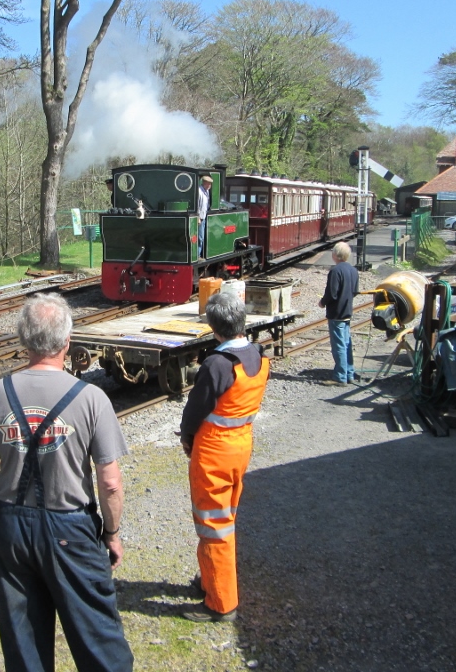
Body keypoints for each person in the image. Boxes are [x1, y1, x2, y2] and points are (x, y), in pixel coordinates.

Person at [0, 294, 133, 672]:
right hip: (70, 528)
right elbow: (109, 483)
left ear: (24, 340)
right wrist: (112, 533)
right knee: (98, 638)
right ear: (67, 341)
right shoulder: (92, 398)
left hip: (11, 529)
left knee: (24, 643)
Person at [178, 292, 269, 623]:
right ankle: (210, 580)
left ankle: (221, 603)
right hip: (242, 443)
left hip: (215, 450)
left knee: (213, 525)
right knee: (224, 516)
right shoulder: (257, 355)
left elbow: (194, 413)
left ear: (213, 327)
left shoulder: (217, 364)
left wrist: (188, 440)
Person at [318, 241, 359, 385]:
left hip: (336, 313)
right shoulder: (353, 270)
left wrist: (323, 302)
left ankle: (340, 377)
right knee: (347, 344)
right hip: (347, 311)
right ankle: (349, 373)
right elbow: (355, 291)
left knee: (339, 346)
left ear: (335, 255)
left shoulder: (335, 271)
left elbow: (332, 293)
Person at [197, 174, 213, 258]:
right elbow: (196, 205)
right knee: (200, 237)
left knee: (202, 237)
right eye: (209, 183)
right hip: (200, 218)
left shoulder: (206, 191)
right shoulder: (199, 191)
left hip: (204, 216)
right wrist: (197, 217)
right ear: (204, 183)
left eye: (210, 184)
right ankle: (197, 255)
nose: (210, 185)